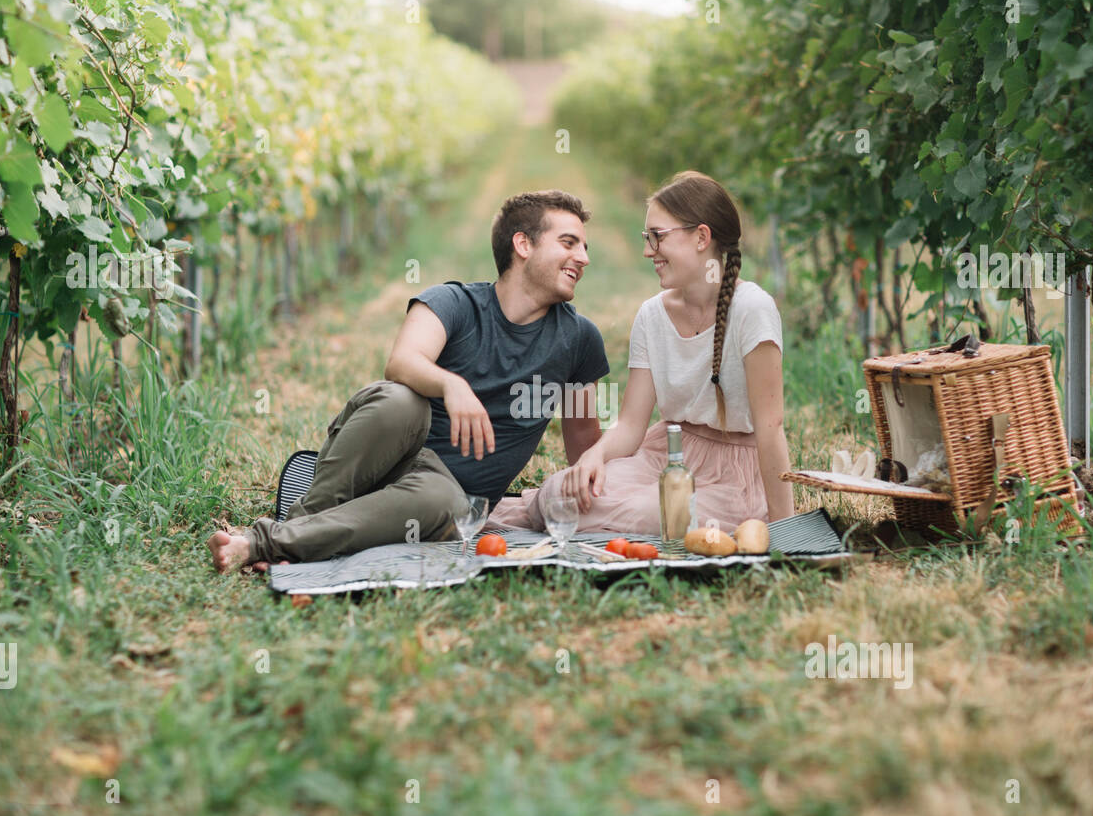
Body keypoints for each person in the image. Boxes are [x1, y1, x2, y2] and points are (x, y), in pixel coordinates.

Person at [208, 189, 610, 572]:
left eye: (585, 247)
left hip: (439, 497)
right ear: (523, 245)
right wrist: (452, 385)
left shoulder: (578, 341)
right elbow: (402, 362)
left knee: (449, 502)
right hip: (387, 457)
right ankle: (304, 524)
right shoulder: (454, 303)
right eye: (569, 243)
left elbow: (583, 449)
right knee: (402, 400)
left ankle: (270, 542)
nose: (584, 258)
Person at [489, 170, 794, 536]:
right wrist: (594, 457)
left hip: (734, 473)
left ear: (701, 237)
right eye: (646, 238)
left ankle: (580, 518)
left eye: (657, 237)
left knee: (658, 514)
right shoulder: (652, 314)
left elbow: (770, 427)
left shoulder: (752, 309)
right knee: (562, 492)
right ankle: (553, 509)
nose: (649, 250)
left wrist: (785, 528)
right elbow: (632, 424)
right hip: (663, 455)